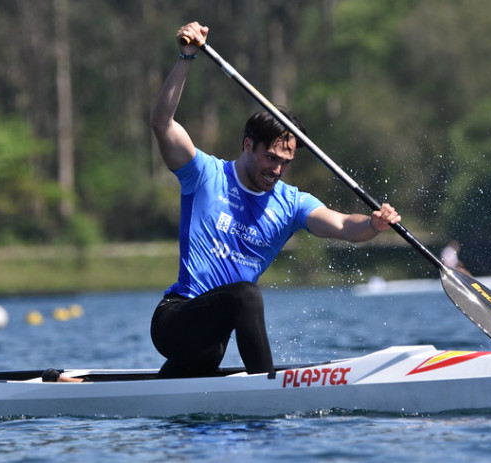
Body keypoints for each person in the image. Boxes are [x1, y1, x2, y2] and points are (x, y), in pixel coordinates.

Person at [148, 21, 402, 379]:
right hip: (175, 319)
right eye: (271, 158)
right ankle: (265, 390)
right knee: (246, 296)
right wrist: (186, 57)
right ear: (248, 145)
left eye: (286, 162)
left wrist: (374, 224)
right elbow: (162, 122)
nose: (278, 170)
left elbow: (345, 225)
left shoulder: (291, 203)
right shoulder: (204, 175)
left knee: (232, 312)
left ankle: (81, 385)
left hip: (212, 342)